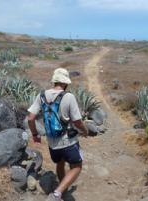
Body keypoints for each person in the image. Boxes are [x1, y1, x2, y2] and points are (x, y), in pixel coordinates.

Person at [27, 68, 88, 201]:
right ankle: (57, 193)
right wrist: (85, 131)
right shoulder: (68, 97)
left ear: (55, 81)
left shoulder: (41, 95)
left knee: (60, 163)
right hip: (68, 141)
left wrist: (35, 135)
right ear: (65, 83)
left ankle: (63, 187)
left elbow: (30, 118)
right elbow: (77, 121)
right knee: (77, 166)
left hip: (51, 143)